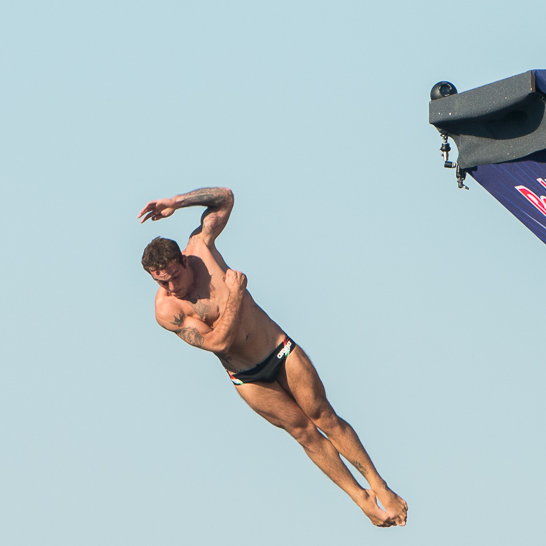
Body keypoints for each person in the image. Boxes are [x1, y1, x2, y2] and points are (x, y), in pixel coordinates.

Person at [138, 187, 407, 527]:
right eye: (161, 283)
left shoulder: (201, 248)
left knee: (324, 416)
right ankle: (361, 499)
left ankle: (379, 485)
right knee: (304, 433)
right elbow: (220, 343)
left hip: (277, 348)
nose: (172, 288)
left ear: (184, 261)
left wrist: (175, 202)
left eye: (174, 277)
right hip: (247, 376)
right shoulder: (168, 311)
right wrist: (235, 294)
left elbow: (225, 197)